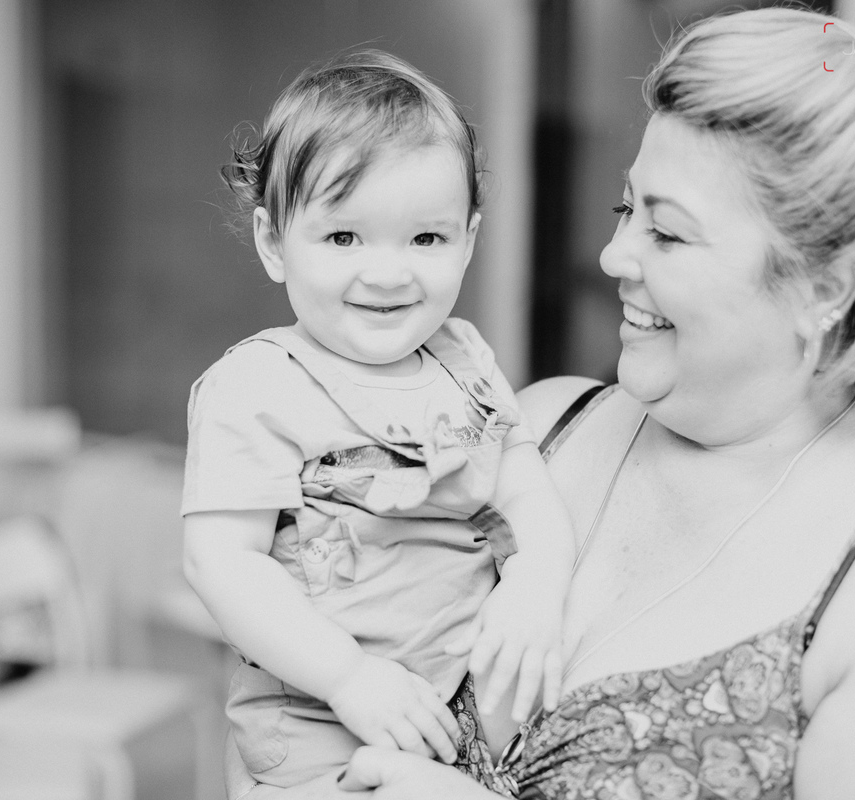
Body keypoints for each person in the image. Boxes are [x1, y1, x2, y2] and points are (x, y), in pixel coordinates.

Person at [227, 7, 855, 799]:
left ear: (825, 289)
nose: (612, 255)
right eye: (623, 210)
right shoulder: (537, 426)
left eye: (666, 233)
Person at [181, 50, 575, 790]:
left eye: (426, 238)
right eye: (343, 238)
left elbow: (525, 489)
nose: (388, 273)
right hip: (317, 726)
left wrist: (537, 582)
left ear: (469, 237)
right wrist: (348, 676)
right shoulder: (258, 385)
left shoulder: (464, 359)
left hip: (455, 714)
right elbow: (221, 563)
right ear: (274, 242)